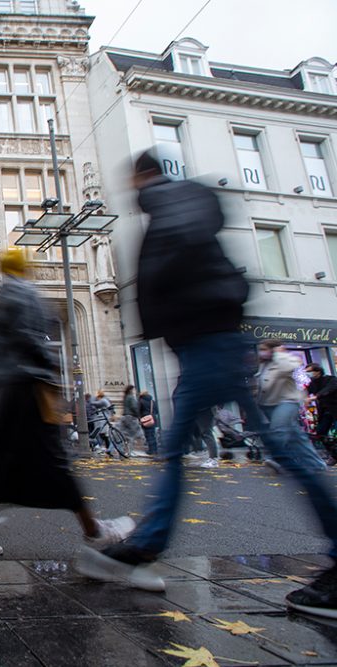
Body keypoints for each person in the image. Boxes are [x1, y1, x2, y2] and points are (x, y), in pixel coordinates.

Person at [78, 151, 337, 614]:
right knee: (273, 448)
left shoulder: (166, 203)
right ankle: (146, 543)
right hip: (217, 337)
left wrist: (157, 309)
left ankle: (145, 545)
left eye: (133, 182)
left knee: (189, 448)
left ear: (142, 176)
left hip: (204, 340)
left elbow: (181, 252)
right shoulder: (189, 198)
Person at [0, 250, 134, 556]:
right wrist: (53, 385)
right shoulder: (26, 295)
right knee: (54, 464)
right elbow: (36, 345)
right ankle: (95, 532)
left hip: (1, 397)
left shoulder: (2, 300)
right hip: (26, 395)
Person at [257, 341, 327, 472]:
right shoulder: (263, 364)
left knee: (278, 428)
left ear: (274, 350)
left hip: (289, 401)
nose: (261, 352)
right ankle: (316, 464)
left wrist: (279, 356)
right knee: (296, 437)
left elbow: (303, 380)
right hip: (269, 403)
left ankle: (276, 456)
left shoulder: (289, 360)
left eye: (264, 349)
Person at [307, 363, 337, 458]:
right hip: (325, 411)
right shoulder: (312, 383)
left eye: (310, 372)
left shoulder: (331, 379)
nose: (308, 374)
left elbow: (330, 388)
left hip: (335, 408)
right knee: (320, 433)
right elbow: (304, 392)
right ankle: (334, 455)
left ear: (317, 371)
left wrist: (316, 396)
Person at [120, 385, 147, 455]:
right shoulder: (131, 397)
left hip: (125, 417)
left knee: (124, 435)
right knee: (133, 435)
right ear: (131, 390)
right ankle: (131, 451)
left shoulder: (125, 397)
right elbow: (134, 407)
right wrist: (138, 416)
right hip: (131, 417)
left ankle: (124, 450)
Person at [138, 390, 159, 455]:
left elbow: (138, 411)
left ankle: (151, 450)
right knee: (153, 435)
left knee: (148, 435)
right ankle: (155, 449)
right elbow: (157, 411)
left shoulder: (141, 401)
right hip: (152, 419)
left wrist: (140, 418)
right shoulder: (152, 401)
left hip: (145, 420)